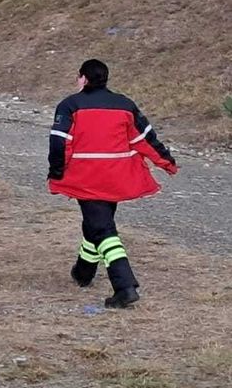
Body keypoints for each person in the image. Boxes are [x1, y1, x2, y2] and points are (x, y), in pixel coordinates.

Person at [48, 59, 178, 309]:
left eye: (78, 77)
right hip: (116, 177)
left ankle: (124, 286)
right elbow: (145, 139)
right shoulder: (125, 105)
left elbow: (58, 142)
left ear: (83, 79)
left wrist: (56, 171)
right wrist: (166, 162)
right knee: (97, 223)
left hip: (86, 177)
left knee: (103, 230)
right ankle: (83, 272)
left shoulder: (69, 105)